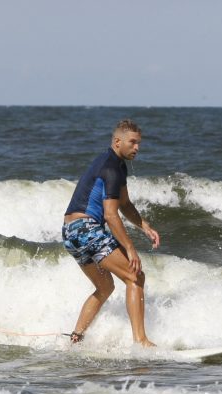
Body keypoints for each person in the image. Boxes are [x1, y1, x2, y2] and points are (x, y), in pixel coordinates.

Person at [62, 119, 160, 347]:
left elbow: (124, 204)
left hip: (70, 233)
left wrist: (143, 225)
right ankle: (141, 341)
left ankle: (76, 339)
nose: (137, 148)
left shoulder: (112, 164)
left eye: (139, 143)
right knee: (135, 277)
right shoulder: (112, 168)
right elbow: (111, 215)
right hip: (87, 229)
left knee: (105, 287)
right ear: (118, 141)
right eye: (133, 143)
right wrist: (130, 248)